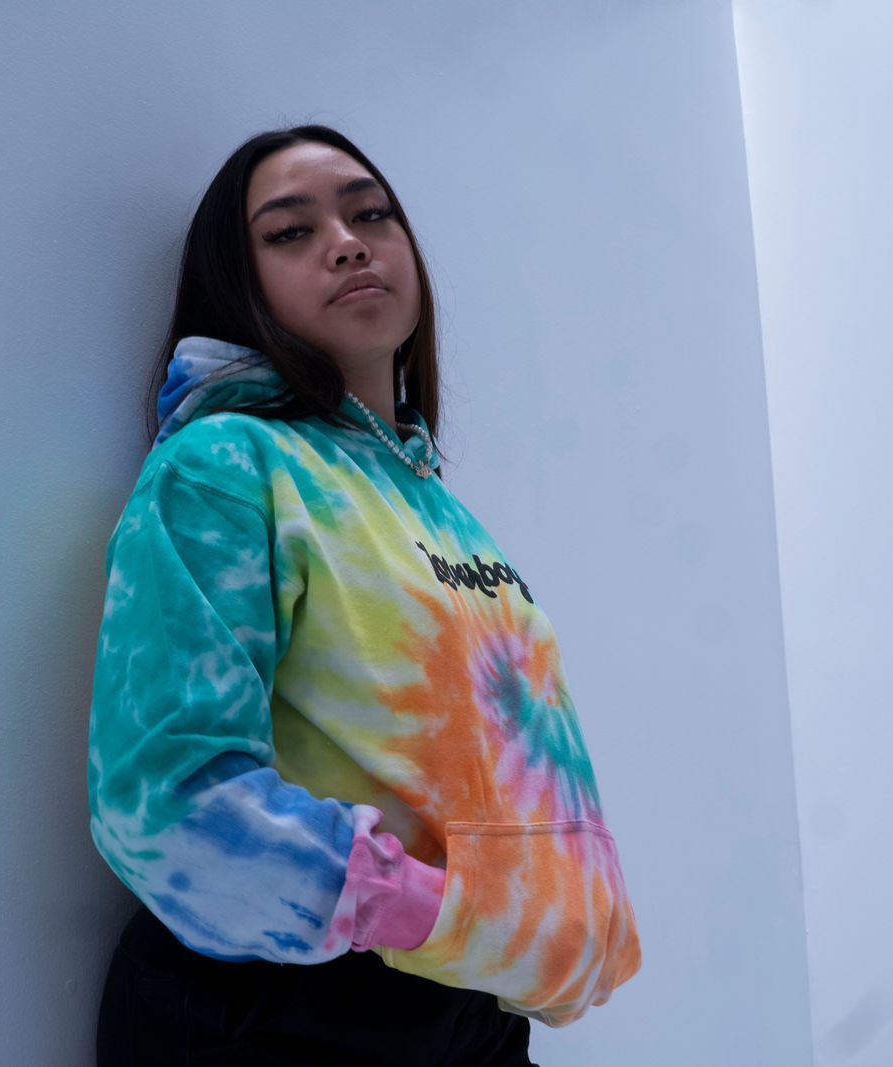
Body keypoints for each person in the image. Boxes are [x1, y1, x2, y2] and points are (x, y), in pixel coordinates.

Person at [89, 124, 642, 1065]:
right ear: (239, 284)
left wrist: (572, 925)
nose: (347, 242)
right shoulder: (221, 466)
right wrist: (439, 913)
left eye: (371, 213)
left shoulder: (440, 507)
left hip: (466, 1011)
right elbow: (162, 799)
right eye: (290, 231)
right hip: (287, 1004)